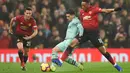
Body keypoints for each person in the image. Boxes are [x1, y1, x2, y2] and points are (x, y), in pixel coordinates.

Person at [53, 0, 123, 72]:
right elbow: (81, 22)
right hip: (84, 33)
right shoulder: (81, 12)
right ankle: (60, 61)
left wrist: (114, 9)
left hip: (94, 34)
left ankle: (116, 65)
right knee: (72, 43)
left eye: (83, 5)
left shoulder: (94, 9)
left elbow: (105, 10)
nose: (82, 7)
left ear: (88, 4)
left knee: (103, 51)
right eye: (81, 5)